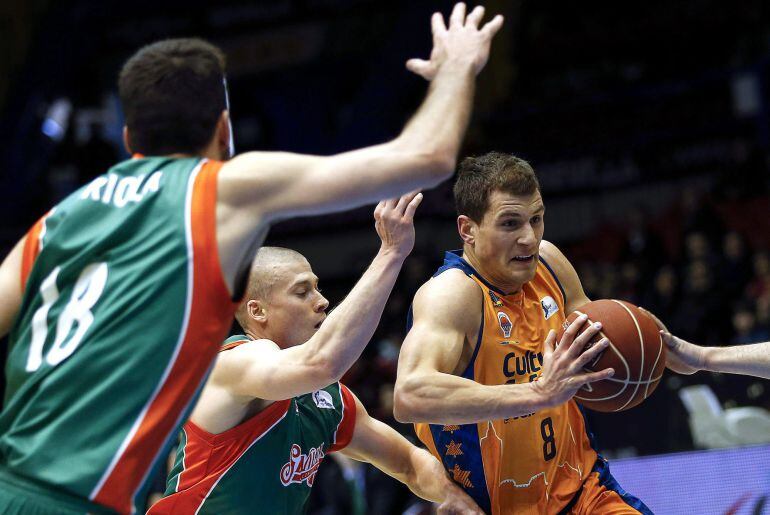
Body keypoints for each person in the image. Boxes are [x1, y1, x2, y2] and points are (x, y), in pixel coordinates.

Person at [0, 5, 504, 514]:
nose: (320, 300)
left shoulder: (59, 220)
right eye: (303, 290)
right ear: (224, 131)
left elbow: (394, 448)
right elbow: (430, 158)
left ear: (130, 139)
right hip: (78, 497)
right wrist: (458, 66)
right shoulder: (221, 188)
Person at [148, 193, 482, 514]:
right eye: (302, 291)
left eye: (318, 287)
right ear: (257, 311)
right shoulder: (233, 362)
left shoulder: (329, 399)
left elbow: (409, 463)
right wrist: (391, 253)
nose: (321, 301)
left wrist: (458, 500)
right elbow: (322, 362)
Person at [393, 152, 652, 515]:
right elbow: (410, 395)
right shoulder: (452, 295)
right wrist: (538, 393)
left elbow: (607, 339)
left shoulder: (549, 262)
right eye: (510, 224)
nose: (529, 238)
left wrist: (665, 347)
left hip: (583, 491)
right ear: (467, 229)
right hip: (493, 507)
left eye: (536, 219)